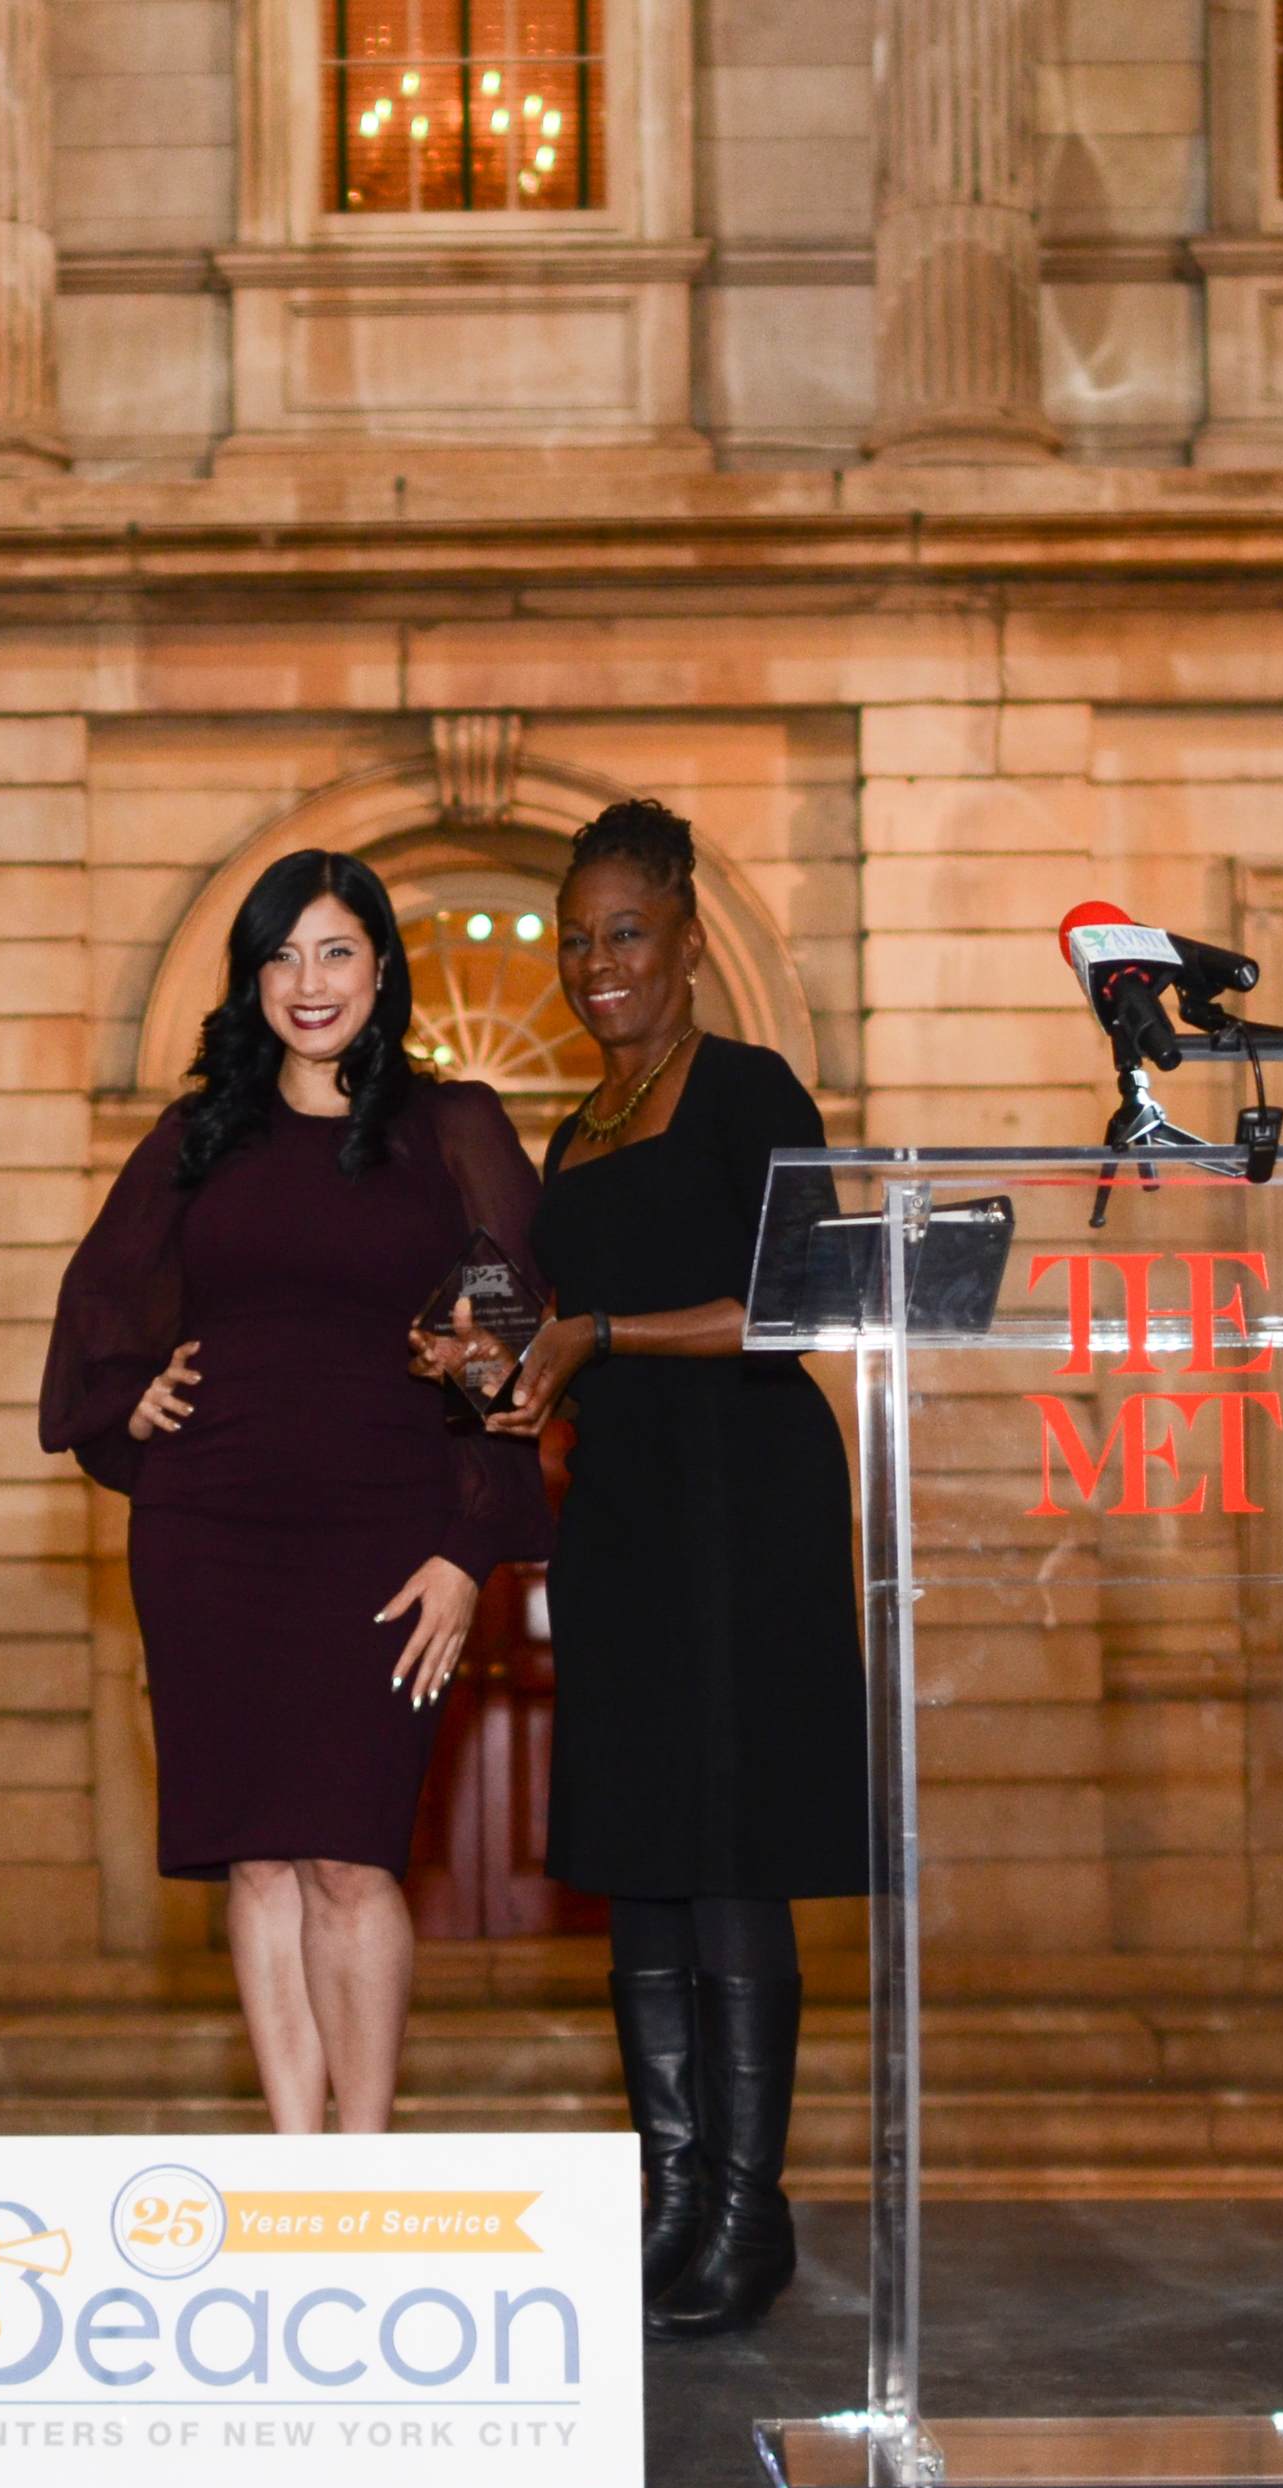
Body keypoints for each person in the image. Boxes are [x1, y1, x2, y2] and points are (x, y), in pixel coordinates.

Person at [429, 798, 864, 2339]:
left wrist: (599, 1333)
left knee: (730, 1849)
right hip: (619, 1509)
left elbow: (802, 1305)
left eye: (626, 933)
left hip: (748, 1497)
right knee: (640, 1855)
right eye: (577, 938)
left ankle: (754, 2209)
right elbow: (560, 1332)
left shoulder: (749, 1090)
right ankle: (673, 2192)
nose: (597, 963)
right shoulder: (576, 1132)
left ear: (687, 944)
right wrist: (498, 1365)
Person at [38, 848, 551, 2140]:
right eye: (282, 955)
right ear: (252, 979)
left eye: (334, 951)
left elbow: (520, 1355)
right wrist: (132, 1397)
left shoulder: (454, 1131)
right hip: (208, 1533)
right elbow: (99, 1303)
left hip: (384, 1537)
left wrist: (466, 1547)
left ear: (381, 965)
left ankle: (363, 2167)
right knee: (257, 1855)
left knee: (352, 1854)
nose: (308, 982)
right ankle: (294, 2163)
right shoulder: (195, 1138)